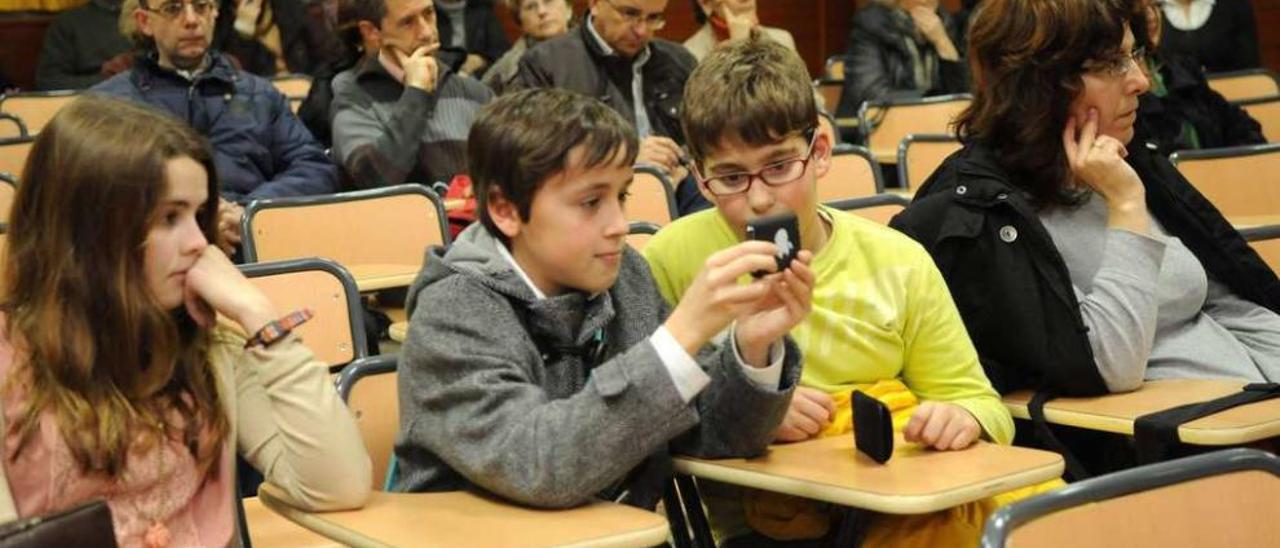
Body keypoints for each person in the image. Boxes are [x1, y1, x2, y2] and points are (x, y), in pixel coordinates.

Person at [643, 37, 1016, 547]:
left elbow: (979, 401)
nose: (758, 197)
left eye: (779, 166)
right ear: (701, 180)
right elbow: (647, 421)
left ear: (819, 151)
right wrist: (755, 411)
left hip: (898, 500)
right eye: (730, 177)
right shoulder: (668, 258)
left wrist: (960, 418)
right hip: (757, 525)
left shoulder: (896, 258)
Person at [392, 87, 812, 510]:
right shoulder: (453, 312)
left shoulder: (625, 276)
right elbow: (541, 467)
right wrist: (678, 338)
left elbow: (714, 435)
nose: (619, 225)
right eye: (591, 202)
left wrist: (752, 350)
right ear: (505, 210)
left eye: (622, 195)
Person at [0, 95, 370, 546]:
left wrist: (260, 318)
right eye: (169, 218)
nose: (199, 242)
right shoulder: (10, 361)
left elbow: (337, 486)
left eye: (199, 216)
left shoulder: (206, 347)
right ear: (92, 230)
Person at [892, 0, 1280, 399]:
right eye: (1112, 64)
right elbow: (1107, 366)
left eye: (1134, 56)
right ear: (1041, 83)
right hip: (1161, 444)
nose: (1141, 81)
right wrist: (1126, 205)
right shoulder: (983, 213)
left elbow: (1231, 305)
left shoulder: (1129, 159)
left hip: (1253, 415)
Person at [94, 0, 339, 255]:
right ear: (145, 22)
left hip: (254, 248)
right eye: (172, 8)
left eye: (201, 6)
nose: (191, 20)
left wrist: (246, 211)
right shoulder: (110, 107)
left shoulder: (259, 94)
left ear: (215, 14)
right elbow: (97, 195)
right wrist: (199, 220)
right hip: (150, 258)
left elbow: (314, 167)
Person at [515, 0, 709, 214]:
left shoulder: (679, 60)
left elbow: (705, 141)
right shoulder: (545, 64)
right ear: (595, 4)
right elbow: (534, 157)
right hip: (595, 200)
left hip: (680, 191)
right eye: (630, 13)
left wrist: (685, 166)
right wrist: (624, 158)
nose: (641, 30)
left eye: (653, 18)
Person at [330, 0, 494, 188]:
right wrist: (416, 93)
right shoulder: (353, 99)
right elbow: (374, 181)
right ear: (372, 32)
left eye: (428, 13)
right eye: (408, 22)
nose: (427, 32)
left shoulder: (474, 93)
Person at [1135, 0, 1267, 155]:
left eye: (1155, 6)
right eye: (1141, 10)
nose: (1152, 16)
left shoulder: (1182, 69)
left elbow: (1239, 124)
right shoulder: (1124, 87)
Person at [836, 0, 968, 120]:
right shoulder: (871, 25)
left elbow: (966, 99)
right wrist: (931, 103)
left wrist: (942, 41)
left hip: (937, 128)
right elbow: (871, 95)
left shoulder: (949, 25)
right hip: (876, 129)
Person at [211, 0, 344, 77]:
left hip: (306, 96)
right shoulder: (216, 21)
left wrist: (312, 89)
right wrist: (243, 31)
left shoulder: (289, 7)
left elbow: (332, 57)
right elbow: (234, 82)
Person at [35, 0, 133, 90]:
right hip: (92, 100)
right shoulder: (68, 23)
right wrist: (106, 79)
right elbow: (48, 82)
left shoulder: (144, 18)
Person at [482, 0, 572, 95]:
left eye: (549, 1)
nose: (542, 11)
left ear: (568, 9)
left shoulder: (587, 43)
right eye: (531, 7)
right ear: (520, 20)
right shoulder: (511, 71)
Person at [1158, 0, 1260, 73]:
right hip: (1167, 100)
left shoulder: (1235, 5)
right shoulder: (1148, 7)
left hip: (1230, 95)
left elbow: (1251, 69)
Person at [681, 0, 795, 62]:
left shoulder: (782, 40)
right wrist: (740, 45)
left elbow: (807, 100)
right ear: (705, 3)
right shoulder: (690, 54)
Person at [434, 0, 511, 78]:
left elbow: (503, 55)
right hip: (440, 78)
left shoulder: (483, 12)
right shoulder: (427, 13)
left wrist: (482, 62)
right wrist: (459, 60)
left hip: (480, 80)